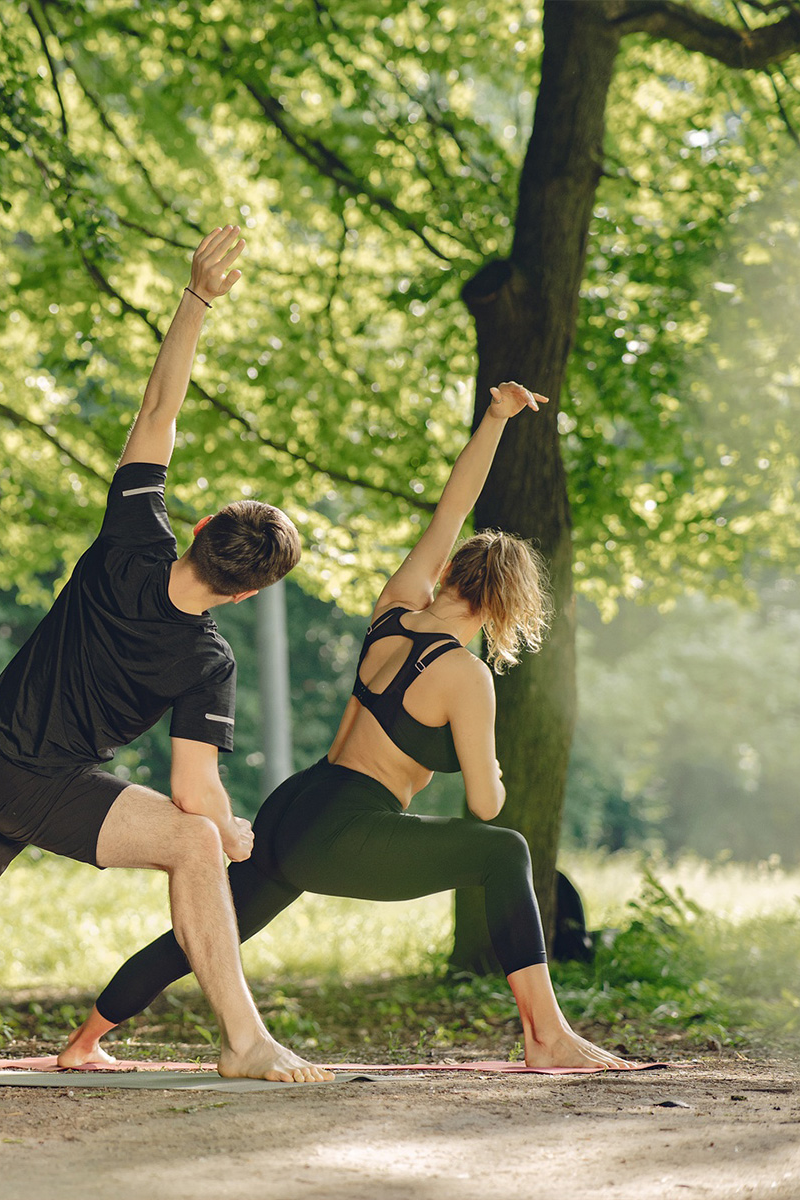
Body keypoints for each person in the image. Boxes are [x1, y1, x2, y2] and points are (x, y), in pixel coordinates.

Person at [0, 227, 331, 1084]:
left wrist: (196, 297)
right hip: (40, 782)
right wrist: (232, 833)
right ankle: (244, 1041)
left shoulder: (131, 535)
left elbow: (158, 412)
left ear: (199, 528)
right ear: (245, 594)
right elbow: (194, 793)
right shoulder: (207, 661)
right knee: (196, 842)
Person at [60, 381, 629, 1071]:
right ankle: (545, 1035)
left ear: (451, 571)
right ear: (508, 607)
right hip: (347, 828)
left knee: (207, 932)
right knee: (504, 850)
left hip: (298, 804)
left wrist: (495, 418)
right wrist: (494, 766)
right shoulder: (466, 675)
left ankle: (84, 1042)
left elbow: (453, 508)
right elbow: (485, 805)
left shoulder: (397, 608)